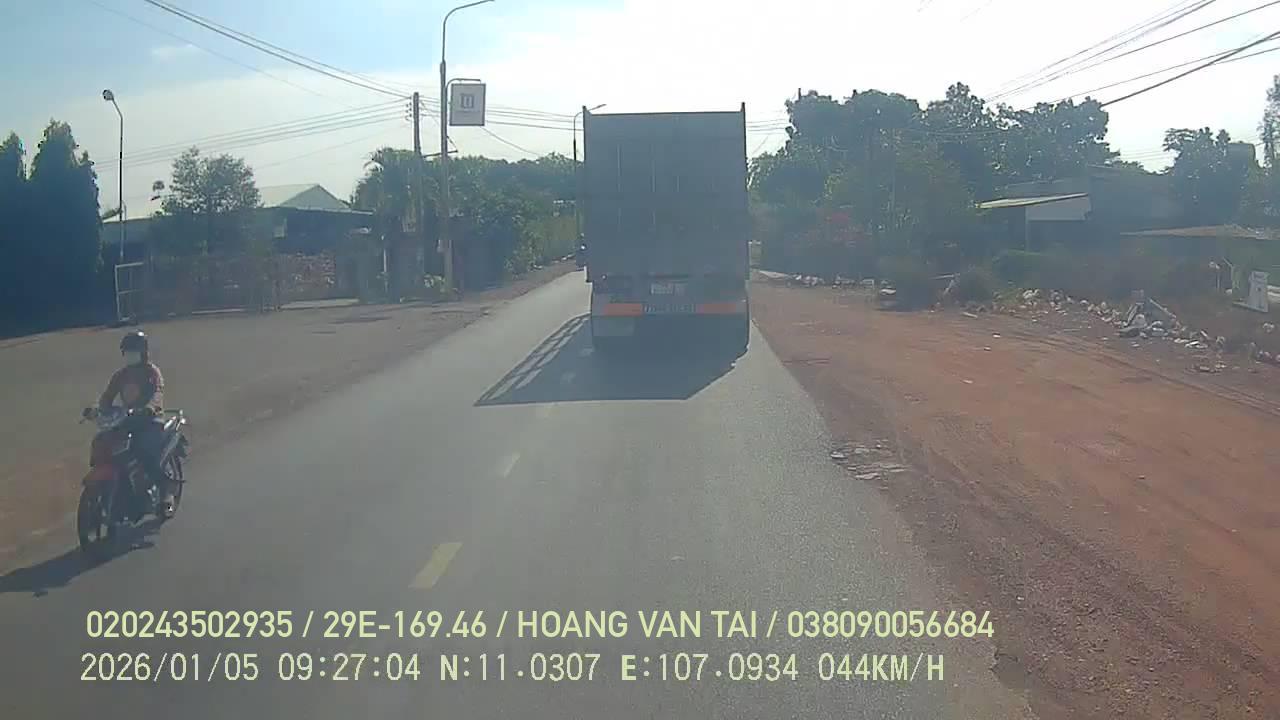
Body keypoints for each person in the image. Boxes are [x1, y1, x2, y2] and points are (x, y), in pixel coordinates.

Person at [98, 331, 173, 515]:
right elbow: (107, 396)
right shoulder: (121, 375)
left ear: (143, 352)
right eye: (127, 351)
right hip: (127, 420)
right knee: (104, 445)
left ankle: (166, 492)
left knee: (143, 452)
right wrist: (99, 408)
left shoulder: (152, 372)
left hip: (151, 421)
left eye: (133, 351)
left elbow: (157, 393)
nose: (130, 355)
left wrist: (149, 407)